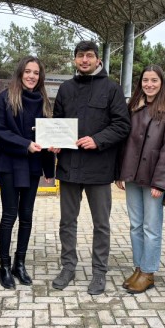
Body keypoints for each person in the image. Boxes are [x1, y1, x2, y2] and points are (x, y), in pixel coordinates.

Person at [50, 40, 131, 295]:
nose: (84, 60)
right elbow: (57, 121)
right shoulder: (66, 88)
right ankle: (68, 267)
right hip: (69, 167)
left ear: (98, 60)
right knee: (67, 222)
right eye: (80, 56)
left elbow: (122, 125)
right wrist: (55, 141)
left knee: (101, 224)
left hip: (99, 168)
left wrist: (97, 140)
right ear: (75, 60)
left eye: (89, 56)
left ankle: (99, 272)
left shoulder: (112, 88)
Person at [0, 56, 55, 289]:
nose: (31, 76)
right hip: (9, 164)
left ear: (40, 77)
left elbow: (48, 136)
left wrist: (49, 167)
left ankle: (20, 263)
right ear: (20, 73)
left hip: (33, 166)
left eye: (36, 73)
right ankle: (4, 266)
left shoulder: (44, 102)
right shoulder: (5, 98)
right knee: (9, 215)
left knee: (26, 215)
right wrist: (25, 144)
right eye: (28, 71)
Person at [115, 65, 165, 294]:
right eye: (145, 80)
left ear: (161, 83)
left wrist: (161, 183)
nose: (149, 84)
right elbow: (124, 142)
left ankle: (149, 272)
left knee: (151, 227)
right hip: (132, 176)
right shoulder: (133, 107)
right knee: (136, 225)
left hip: (153, 179)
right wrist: (120, 173)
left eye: (154, 80)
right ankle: (139, 267)